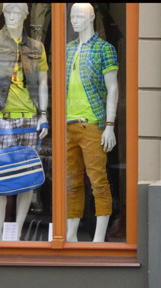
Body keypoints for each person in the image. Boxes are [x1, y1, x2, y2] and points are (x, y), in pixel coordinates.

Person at [0, 2, 49, 241]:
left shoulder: (36, 46)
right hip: (0, 117)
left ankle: (15, 230)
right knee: (0, 174)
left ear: (26, 16)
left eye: (17, 11)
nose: (12, 16)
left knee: (27, 176)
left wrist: (44, 115)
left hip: (29, 118)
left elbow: (43, 83)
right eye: (8, 11)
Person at [65, 3, 119, 242]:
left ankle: (98, 239)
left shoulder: (104, 49)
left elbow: (113, 88)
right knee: (71, 182)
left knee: (98, 181)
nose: (73, 20)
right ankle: (71, 235)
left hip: (93, 124)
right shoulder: (67, 49)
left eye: (79, 16)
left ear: (90, 18)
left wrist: (110, 125)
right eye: (71, 16)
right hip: (67, 125)